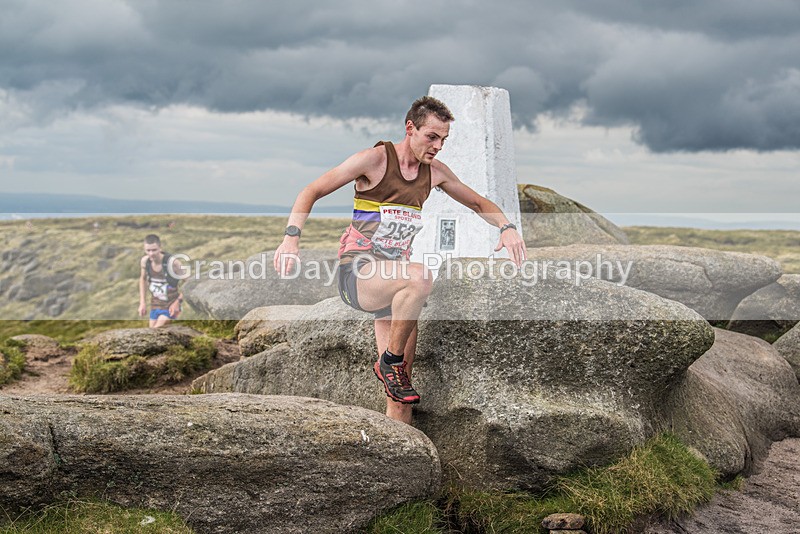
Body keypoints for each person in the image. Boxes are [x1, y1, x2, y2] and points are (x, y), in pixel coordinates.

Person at [273, 96, 527, 424]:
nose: (438, 146)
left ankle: (399, 459)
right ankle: (389, 361)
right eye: (431, 137)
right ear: (411, 128)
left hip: (396, 292)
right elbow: (311, 190)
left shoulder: (434, 173)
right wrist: (291, 238)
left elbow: (479, 203)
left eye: (444, 140)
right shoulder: (374, 160)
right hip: (359, 274)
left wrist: (506, 228)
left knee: (401, 392)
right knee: (420, 277)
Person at [138, 234, 186, 328]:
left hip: (171, 307)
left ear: (160, 248)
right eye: (148, 250)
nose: (151, 253)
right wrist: (142, 302)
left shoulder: (173, 262)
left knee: (156, 331)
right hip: (155, 306)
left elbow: (189, 283)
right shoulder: (145, 261)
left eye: (154, 250)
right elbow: (143, 279)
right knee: (152, 332)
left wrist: (178, 302)